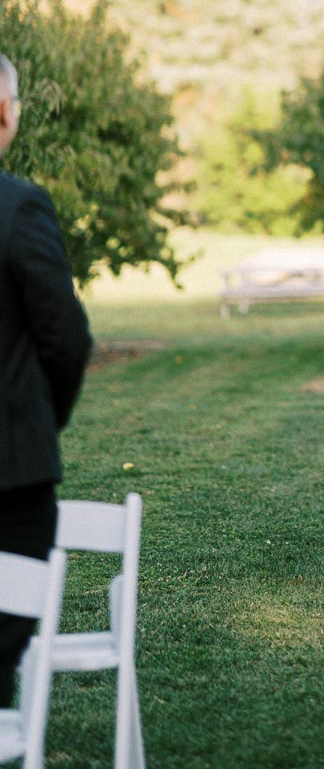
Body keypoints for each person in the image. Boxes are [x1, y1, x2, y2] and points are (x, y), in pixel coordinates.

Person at [0, 54, 93, 706]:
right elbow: (66, 338)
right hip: (10, 474)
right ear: (5, 114)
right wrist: (38, 421)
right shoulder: (17, 206)